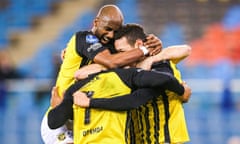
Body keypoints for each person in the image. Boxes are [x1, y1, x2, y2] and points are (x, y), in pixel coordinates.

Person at [48, 24, 191, 143]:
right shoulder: (126, 72)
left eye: (122, 51)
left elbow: (136, 99)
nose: (122, 57)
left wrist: (180, 90)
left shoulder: (159, 64)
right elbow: (79, 74)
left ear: (139, 45)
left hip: (165, 139)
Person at [40, 4, 162, 144]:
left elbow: (130, 47)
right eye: (107, 28)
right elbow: (111, 62)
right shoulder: (84, 38)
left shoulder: (113, 48)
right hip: (61, 118)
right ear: (96, 22)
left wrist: (154, 43)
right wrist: (145, 49)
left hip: (87, 121)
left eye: (115, 31)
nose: (110, 34)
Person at [48, 66, 189, 144]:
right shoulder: (122, 76)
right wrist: (182, 91)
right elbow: (162, 81)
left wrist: (58, 107)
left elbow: (53, 122)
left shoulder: (75, 89)